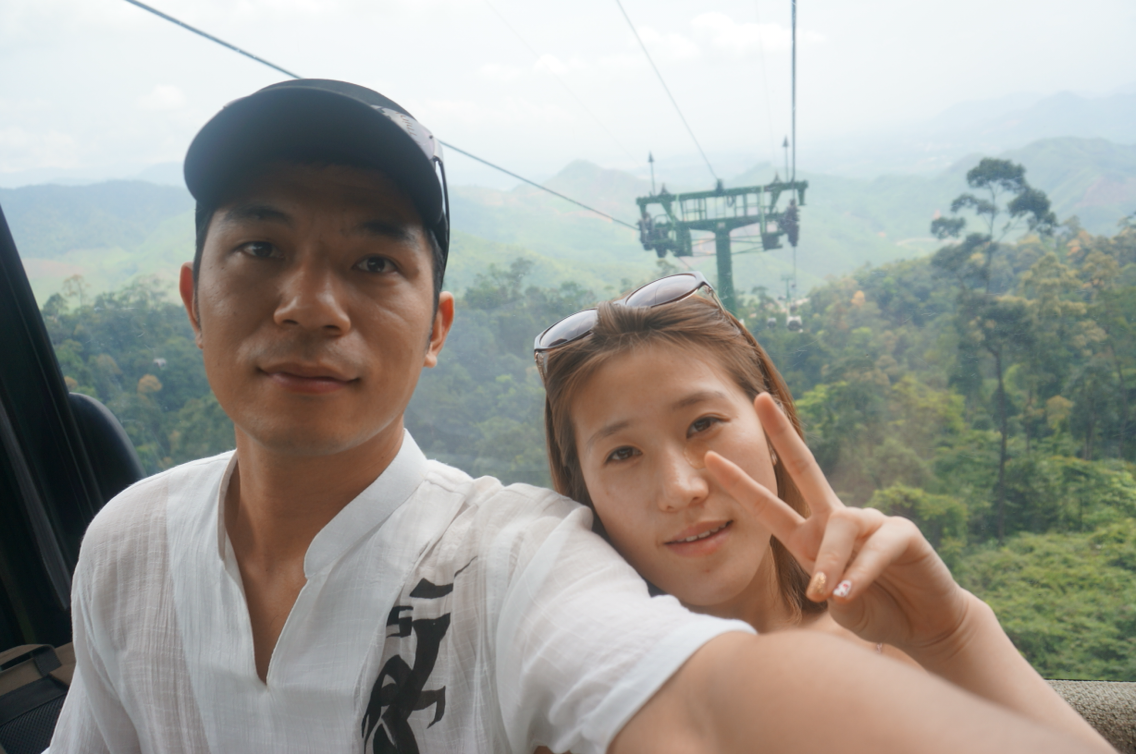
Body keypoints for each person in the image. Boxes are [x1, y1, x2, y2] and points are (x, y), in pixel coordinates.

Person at [48, 79, 1107, 754]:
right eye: (259, 248)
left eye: (373, 262)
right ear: (191, 296)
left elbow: (708, 702)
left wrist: (953, 634)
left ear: (436, 326)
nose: (310, 305)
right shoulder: (125, 545)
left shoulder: (516, 561)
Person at [535, 271, 1110, 748]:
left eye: (703, 423)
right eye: (623, 453)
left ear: (773, 428)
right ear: (583, 491)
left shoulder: (895, 641)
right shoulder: (582, 710)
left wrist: (952, 633)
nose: (680, 488)